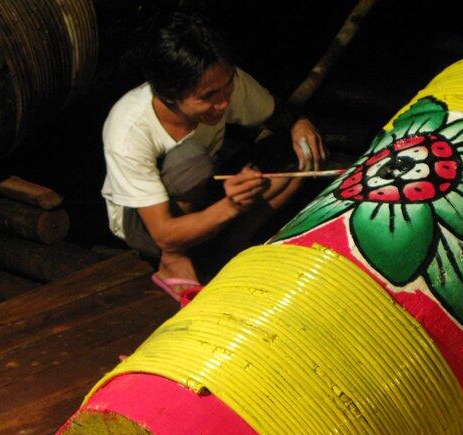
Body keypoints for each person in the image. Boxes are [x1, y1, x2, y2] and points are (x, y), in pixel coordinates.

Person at [101, 13, 326, 301]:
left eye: (228, 86)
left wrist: (298, 124)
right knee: (191, 160)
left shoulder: (220, 81)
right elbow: (163, 233)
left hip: (203, 190)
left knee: (295, 160)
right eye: (208, 97)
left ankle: (224, 253)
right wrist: (231, 205)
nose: (223, 103)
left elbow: (277, 114)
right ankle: (175, 260)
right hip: (146, 226)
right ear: (170, 95)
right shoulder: (128, 129)